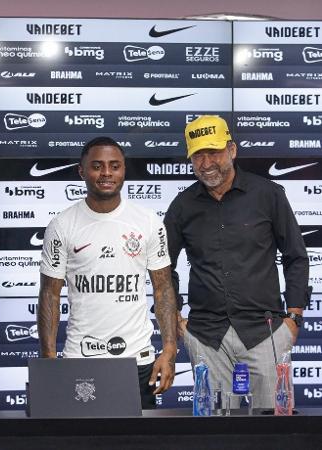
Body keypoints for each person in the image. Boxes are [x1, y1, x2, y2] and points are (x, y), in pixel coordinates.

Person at [164, 115, 309, 409]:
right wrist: (176, 319)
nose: (206, 164)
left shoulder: (268, 194)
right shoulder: (182, 206)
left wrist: (292, 319)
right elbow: (162, 268)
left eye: (214, 152)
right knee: (214, 429)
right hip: (206, 336)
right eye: (198, 156)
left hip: (264, 333)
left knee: (275, 426)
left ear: (232, 150)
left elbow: (296, 256)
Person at [37, 136, 178, 409]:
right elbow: (50, 294)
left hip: (138, 360)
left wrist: (169, 351)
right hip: (80, 359)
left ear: (124, 170)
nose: (106, 174)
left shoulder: (148, 222)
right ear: (82, 171)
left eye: (114, 166)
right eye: (97, 166)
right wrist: (48, 360)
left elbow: (163, 289)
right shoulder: (62, 225)